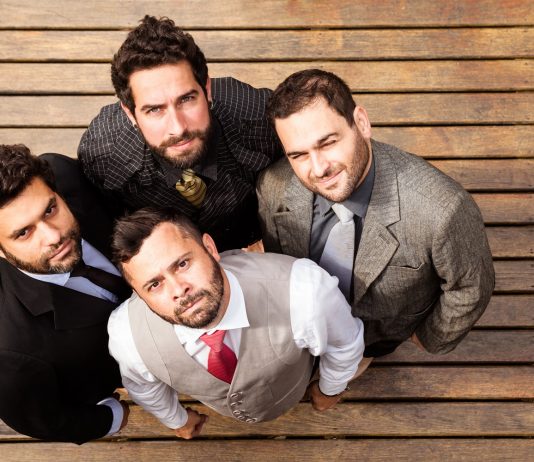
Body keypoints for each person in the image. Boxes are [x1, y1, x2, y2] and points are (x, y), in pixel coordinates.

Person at [257, 69, 495, 359]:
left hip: (378, 341)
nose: (318, 169)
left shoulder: (443, 210)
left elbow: (470, 287)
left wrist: (430, 337)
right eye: (299, 155)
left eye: (328, 143)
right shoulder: (273, 187)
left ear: (361, 122)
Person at [108, 207, 365, 439]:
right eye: (154, 284)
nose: (178, 290)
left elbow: (345, 345)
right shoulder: (127, 335)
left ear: (210, 248)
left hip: (294, 393)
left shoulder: (305, 291)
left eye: (183, 264)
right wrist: (177, 420)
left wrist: (329, 389)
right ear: (138, 296)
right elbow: (145, 388)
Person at [77, 15, 282, 251]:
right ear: (130, 114)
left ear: (207, 90)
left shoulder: (259, 117)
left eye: (186, 99)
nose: (178, 128)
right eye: (155, 109)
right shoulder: (104, 156)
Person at [0, 145, 130, 444]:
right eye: (24, 232)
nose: (54, 236)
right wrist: (112, 417)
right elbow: (47, 421)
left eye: (50, 210)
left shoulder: (64, 172)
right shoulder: (12, 357)